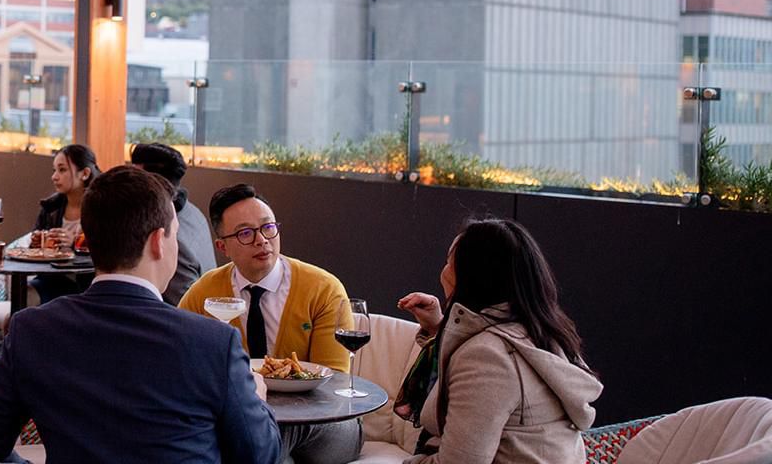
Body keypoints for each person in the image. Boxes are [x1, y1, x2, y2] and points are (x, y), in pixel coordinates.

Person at [0, 166, 280, 464]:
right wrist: (258, 398)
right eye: (175, 235)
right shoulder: (214, 343)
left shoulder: (30, 331)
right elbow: (260, 456)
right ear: (157, 242)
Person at [394, 219, 601, 464]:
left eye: (449, 261)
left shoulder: (486, 357)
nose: (444, 271)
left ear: (472, 278)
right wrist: (439, 327)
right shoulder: (541, 335)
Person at [178, 183, 358, 464]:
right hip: (244, 421)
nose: (262, 240)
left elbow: (333, 384)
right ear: (222, 246)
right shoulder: (203, 295)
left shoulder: (323, 289)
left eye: (268, 227)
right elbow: (184, 368)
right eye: (245, 233)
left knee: (268, 437)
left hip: (329, 424)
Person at [129, 142, 215, 303]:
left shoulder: (169, 235)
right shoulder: (193, 212)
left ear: (149, 181)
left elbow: (184, 307)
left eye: (134, 175)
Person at [30, 144, 99, 304]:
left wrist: (74, 243)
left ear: (85, 173)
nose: (54, 176)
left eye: (62, 170)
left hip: (88, 286)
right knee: (22, 298)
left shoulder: (101, 208)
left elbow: (111, 251)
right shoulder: (50, 207)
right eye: (54, 170)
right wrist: (38, 242)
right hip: (52, 280)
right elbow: (37, 252)